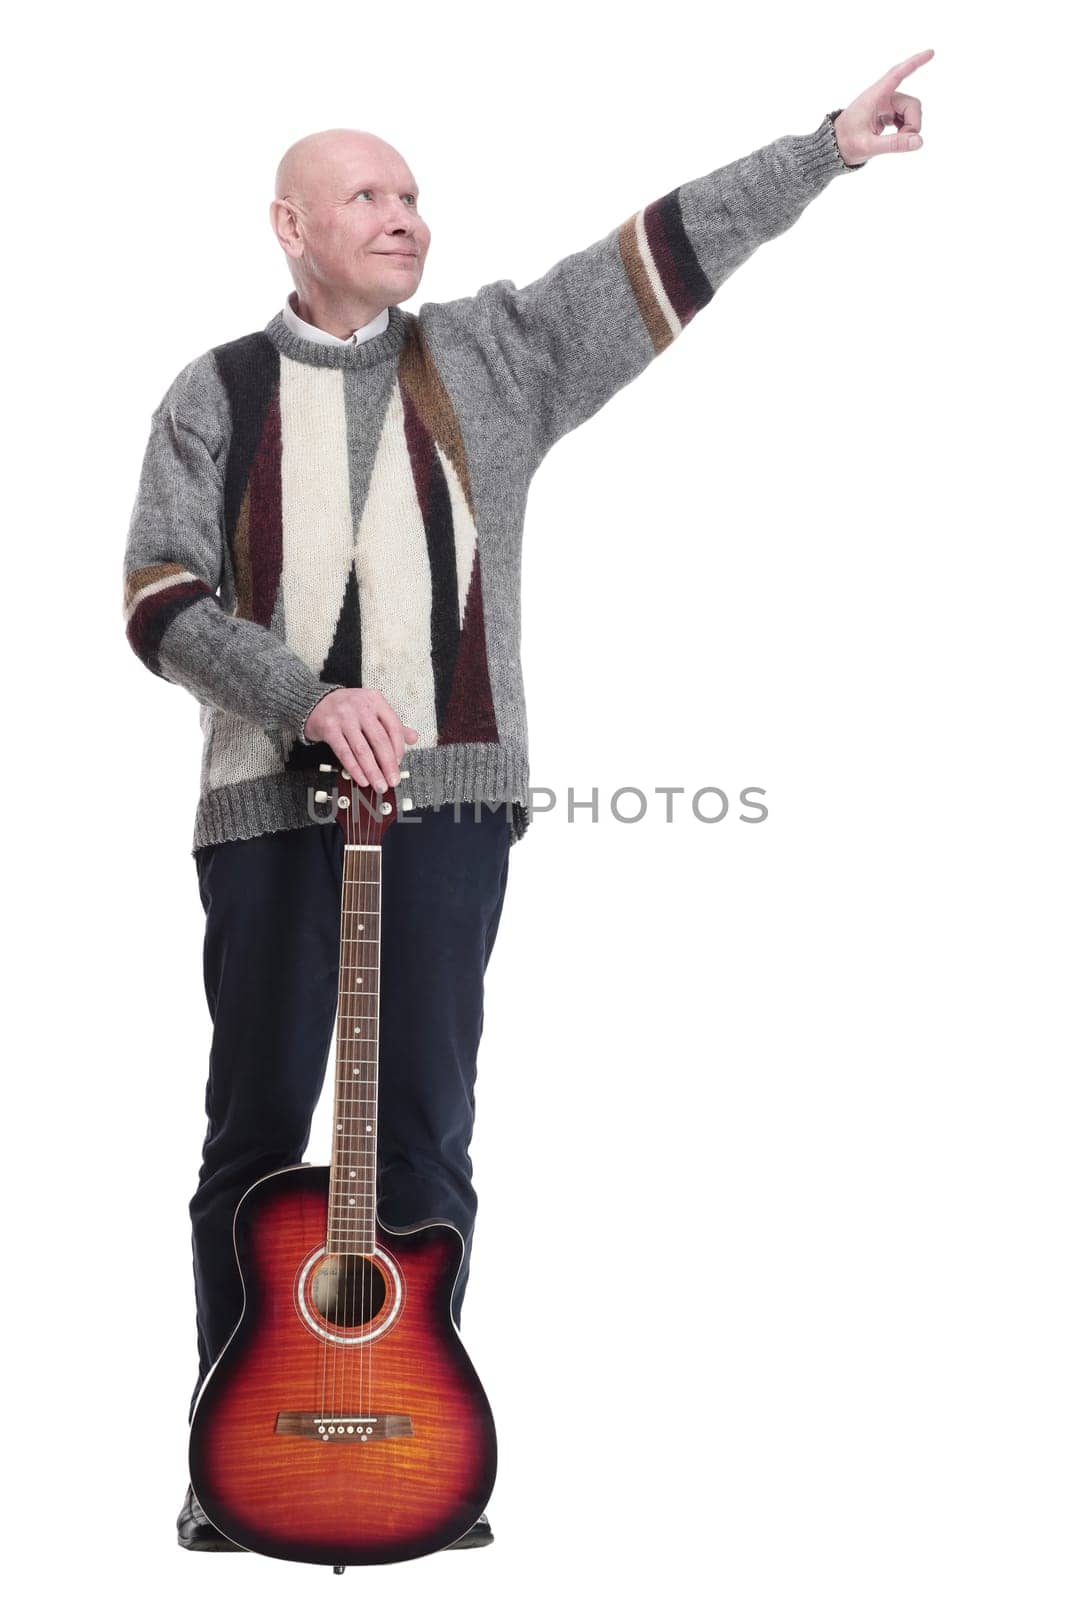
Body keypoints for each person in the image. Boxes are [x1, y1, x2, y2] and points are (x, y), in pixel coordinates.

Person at [121, 50, 931, 1556]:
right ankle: (229, 1457)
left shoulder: (492, 359)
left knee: (426, 1128)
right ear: (289, 224)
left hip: (449, 808)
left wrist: (823, 149)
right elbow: (161, 598)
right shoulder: (214, 393)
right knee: (254, 1137)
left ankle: (409, 1433)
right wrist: (308, 699)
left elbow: (663, 253)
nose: (404, 214)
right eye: (366, 192)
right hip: (265, 815)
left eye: (415, 192)